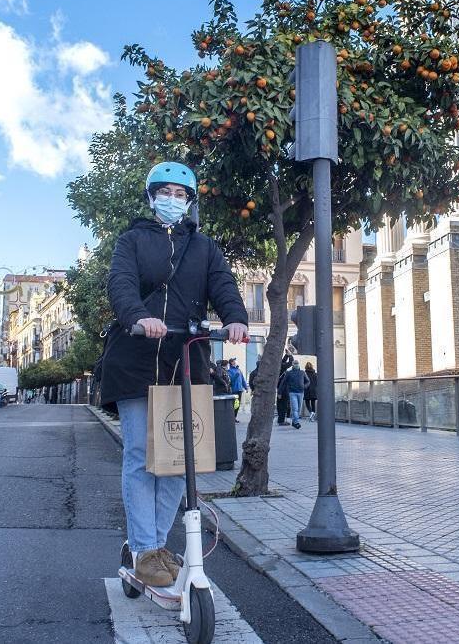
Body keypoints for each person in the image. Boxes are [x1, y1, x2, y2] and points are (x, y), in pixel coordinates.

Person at [96, 161, 248, 589]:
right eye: (165, 191)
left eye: (181, 194)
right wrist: (138, 316)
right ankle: (145, 549)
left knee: (181, 462)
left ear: (190, 202)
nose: (173, 199)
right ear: (151, 196)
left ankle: (155, 549)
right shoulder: (132, 240)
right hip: (135, 360)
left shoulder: (203, 247)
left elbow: (223, 285)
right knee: (142, 456)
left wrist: (235, 319)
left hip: (185, 360)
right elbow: (120, 283)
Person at [278, 360, 310, 429]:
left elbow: (308, 381)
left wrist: (304, 387)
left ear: (299, 364)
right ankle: (297, 422)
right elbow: (283, 383)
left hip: (301, 392)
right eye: (295, 364)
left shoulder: (302, 372)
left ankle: (294, 422)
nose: (296, 365)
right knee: (295, 408)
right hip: (292, 393)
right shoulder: (289, 373)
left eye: (297, 363)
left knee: (299, 409)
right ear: (292, 365)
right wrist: (279, 392)